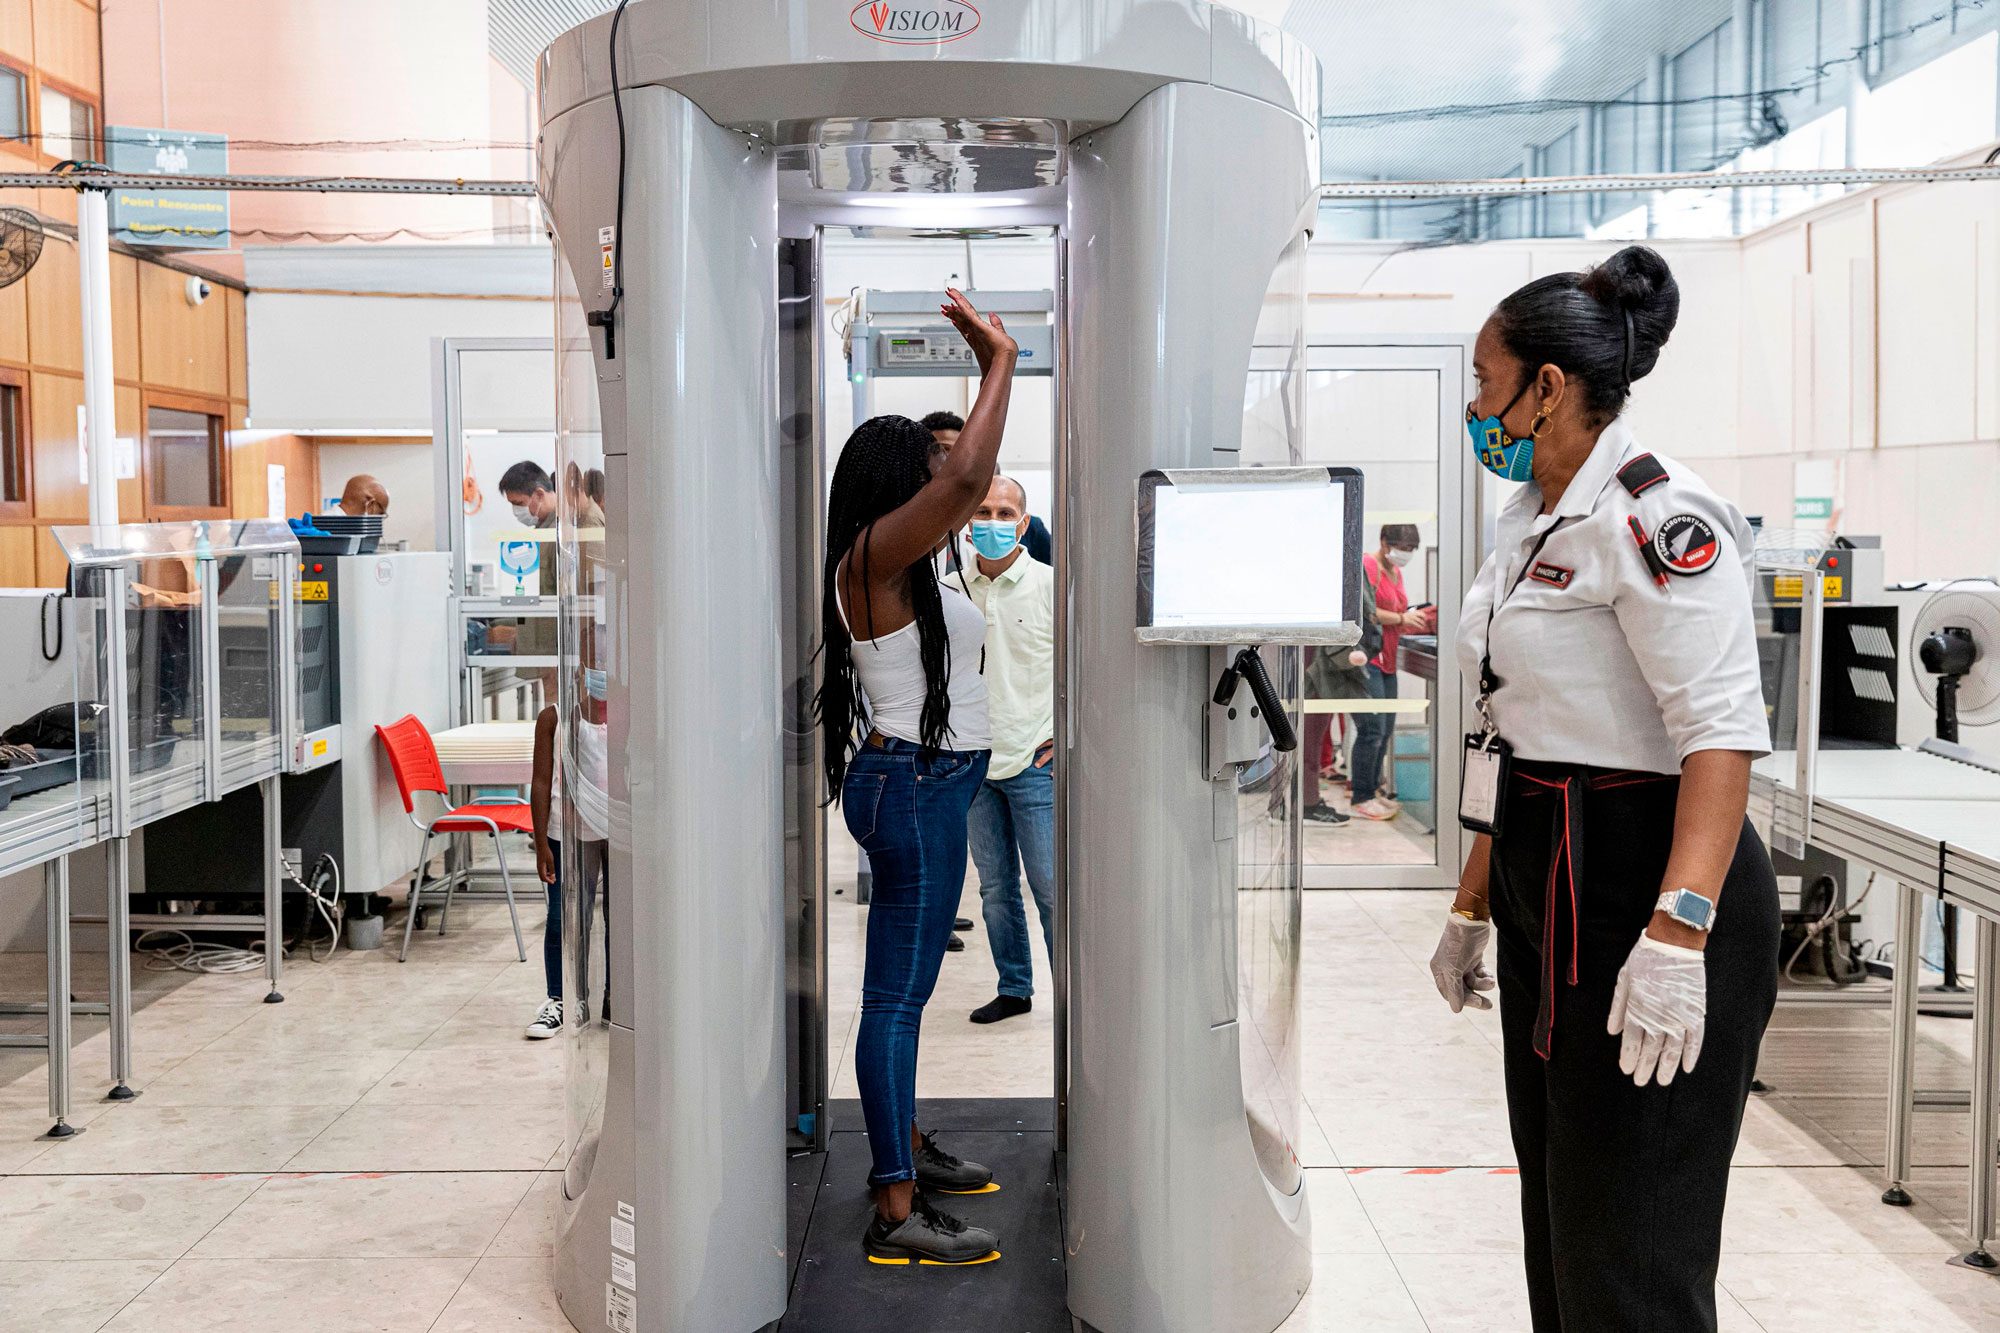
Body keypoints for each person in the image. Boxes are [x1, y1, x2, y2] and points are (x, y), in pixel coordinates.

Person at [1426, 245, 1778, 1332]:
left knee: (1635, 1236)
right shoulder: (1528, 515)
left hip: (1647, 872)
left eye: (1485, 383)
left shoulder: (1655, 515)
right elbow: (1511, 727)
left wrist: (1677, 935)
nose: (1475, 407)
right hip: (1547, 864)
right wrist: (1475, 901)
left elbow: (1719, 733)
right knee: (1563, 1211)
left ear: (1546, 386)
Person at [817, 289, 1017, 1266]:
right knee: (894, 999)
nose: (957, 494)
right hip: (913, 783)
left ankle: (904, 1144)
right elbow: (969, 476)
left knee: (907, 991)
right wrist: (999, 360)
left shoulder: (911, 567)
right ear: (900, 488)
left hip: (925, 780)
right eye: (932, 478)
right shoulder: (870, 555)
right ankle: (894, 1206)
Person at [956, 475, 1056, 1024]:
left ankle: (1073, 995)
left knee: (1050, 888)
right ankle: (1015, 987)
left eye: (1004, 513)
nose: (992, 522)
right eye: (983, 512)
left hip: (1034, 763)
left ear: (1023, 523)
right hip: (971, 764)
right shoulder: (950, 590)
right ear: (969, 523)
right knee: (995, 888)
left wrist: (1063, 736)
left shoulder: (1049, 585)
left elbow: (1079, 671)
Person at [524, 693, 610, 1039]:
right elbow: (541, 781)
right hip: (569, 830)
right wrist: (542, 841)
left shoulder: (632, 710)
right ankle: (562, 999)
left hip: (617, 827)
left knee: (619, 916)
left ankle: (615, 999)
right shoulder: (553, 719)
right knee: (565, 917)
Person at [1349, 523, 1432, 821]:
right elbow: (1367, 611)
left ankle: (1373, 790)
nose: (1405, 555)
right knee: (1371, 729)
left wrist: (1411, 615)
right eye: (1401, 548)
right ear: (1384, 541)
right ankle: (1361, 795)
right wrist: (1402, 617)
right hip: (1367, 658)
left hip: (1387, 659)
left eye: (1410, 551)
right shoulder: (1368, 566)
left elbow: (1396, 609)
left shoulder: (1395, 571)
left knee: (1385, 730)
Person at [924, 410, 1052, 564]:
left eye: (959, 452)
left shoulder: (1021, 527)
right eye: (941, 451)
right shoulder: (911, 522)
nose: (951, 460)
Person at [1298, 576, 1377, 825]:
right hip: (1317, 669)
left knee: (1307, 740)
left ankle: (1297, 803)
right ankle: (1305, 805)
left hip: (1317, 665)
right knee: (1308, 742)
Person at [499, 461, 559, 529]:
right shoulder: (543, 526)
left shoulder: (564, 528)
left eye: (519, 503)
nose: (515, 511)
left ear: (539, 495)